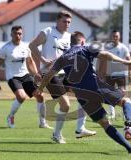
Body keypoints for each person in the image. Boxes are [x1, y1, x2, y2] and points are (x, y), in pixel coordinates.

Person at [34, 31, 131, 153]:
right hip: (96, 86)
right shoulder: (85, 49)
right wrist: (125, 62)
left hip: (82, 96)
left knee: (105, 124)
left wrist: (40, 89)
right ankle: (129, 121)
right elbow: (106, 55)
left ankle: (129, 148)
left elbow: (49, 75)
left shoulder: (62, 57)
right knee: (126, 101)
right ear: (82, 41)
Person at [29, 10, 96, 143]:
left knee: (86, 95)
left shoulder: (69, 37)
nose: (67, 24)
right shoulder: (47, 31)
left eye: (69, 22)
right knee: (65, 105)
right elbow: (32, 46)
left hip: (66, 74)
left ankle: (80, 128)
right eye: (64, 21)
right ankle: (56, 135)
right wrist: (42, 60)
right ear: (57, 21)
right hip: (50, 73)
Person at [0, 25, 50, 129]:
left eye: (19, 33)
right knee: (21, 96)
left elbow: (30, 62)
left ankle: (43, 122)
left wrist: (36, 74)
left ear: (22, 34)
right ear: (11, 34)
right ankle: (10, 116)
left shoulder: (25, 47)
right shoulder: (5, 48)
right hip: (13, 77)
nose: (17, 35)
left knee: (40, 95)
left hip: (26, 76)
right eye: (15, 33)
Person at [98, 30, 131, 119]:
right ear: (111, 37)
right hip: (109, 74)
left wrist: (130, 72)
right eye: (113, 36)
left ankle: (125, 113)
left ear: (119, 37)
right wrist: (101, 73)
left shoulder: (123, 47)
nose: (115, 38)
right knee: (109, 93)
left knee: (122, 93)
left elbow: (129, 60)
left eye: (116, 36)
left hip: (121, 74)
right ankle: (112, 113)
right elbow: (103, 60)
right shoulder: (107, 48)